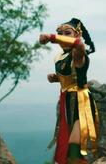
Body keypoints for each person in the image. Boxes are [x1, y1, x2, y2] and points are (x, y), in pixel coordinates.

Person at [39, 18, 100, 164]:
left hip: (80, 102)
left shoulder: (77, 53)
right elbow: (70, 77)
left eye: (67, 33)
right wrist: (57, 79)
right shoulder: (60, 57)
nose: (63, 36)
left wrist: (52, 37)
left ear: (77, 35)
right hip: (66, 101)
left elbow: (79, 45)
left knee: (74, 147)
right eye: (60, 33)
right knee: (64, 146)